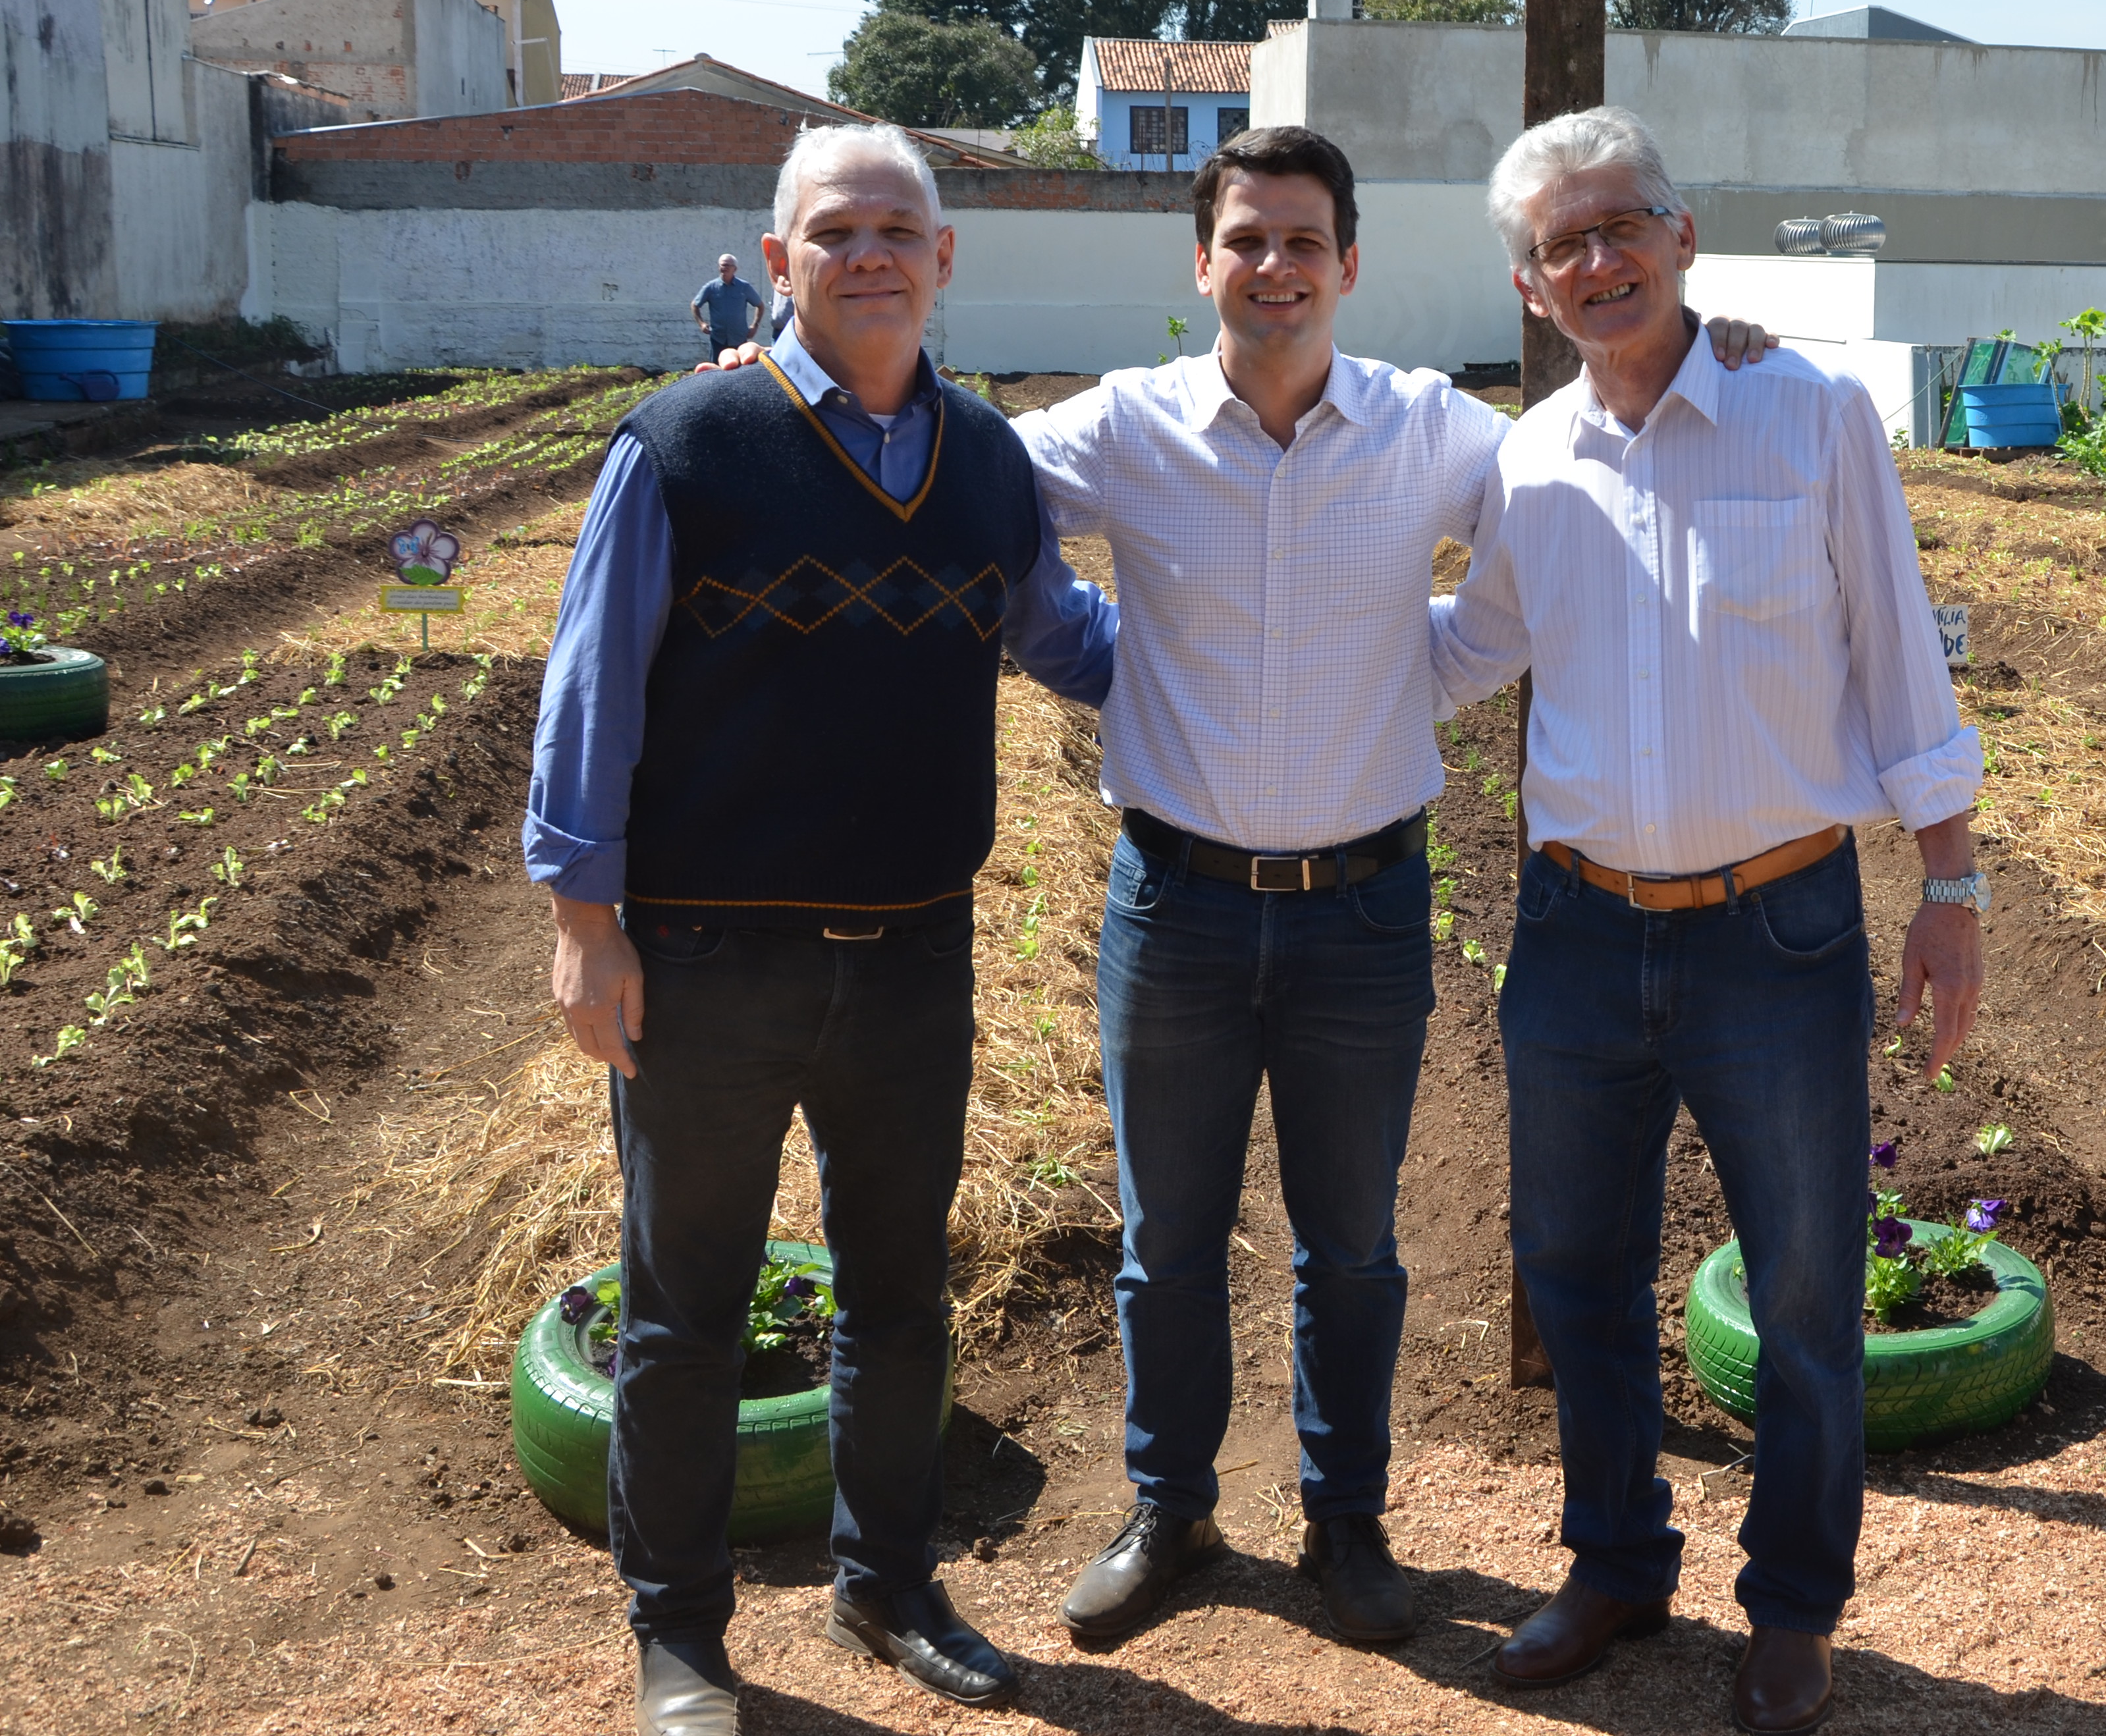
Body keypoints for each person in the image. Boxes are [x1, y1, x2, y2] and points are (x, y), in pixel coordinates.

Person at [1001, 128, 1779, 1652]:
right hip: (1178, 905)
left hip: (1364, 911)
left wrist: (1721, 347)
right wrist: (1087, 654)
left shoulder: (1435, 432)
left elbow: (1565, 503)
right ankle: (1170, 1508)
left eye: (1304, 241)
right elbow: (978, 502)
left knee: (1348, 1241)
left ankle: (1343, 1524)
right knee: (1169, 1235)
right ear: (1204, 263)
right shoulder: (1127, 430)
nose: (1276, 267)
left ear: (1349, 264)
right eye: (1247, 240)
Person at [530, 124, 1121, 1736]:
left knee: (899, 1290)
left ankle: (891, 1583)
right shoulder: (689, 443)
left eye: (899, 230)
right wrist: (586, 921)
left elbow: (1067, 642)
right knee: (686, 1307)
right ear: (779, 260)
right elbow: (590, 694)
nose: (872, 254)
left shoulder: (989, 464)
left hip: (912, 954)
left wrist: (1283, 654)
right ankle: (683, 1635)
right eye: (837, 229)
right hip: (709, 963)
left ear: (945, 261)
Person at [1430, 107, 1984, 1736]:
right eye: (1559, 245)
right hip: (1578, 934)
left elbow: (1901, 664)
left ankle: (1797, 1606)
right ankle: (1615, 1562)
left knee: (1808, 1293)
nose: (1594, 261)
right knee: (1576, 1270)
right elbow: (1466, 655)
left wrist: (1951, 888)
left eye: (1621, 226)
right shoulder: (1529, 461)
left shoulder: (1809, 416)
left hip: (1778, 931)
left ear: (1683, 238)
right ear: (1531, 290)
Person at [690, 254, 765, 365]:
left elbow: (760, 305)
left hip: (739, 338)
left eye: (728, 265)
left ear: (735, 269)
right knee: (717, 370)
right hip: (718, 338)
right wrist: (701, 323)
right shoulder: (711, 287)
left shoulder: (744, 287)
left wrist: (755, 325)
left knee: (740, 370)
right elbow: (695, 305)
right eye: (722, 265)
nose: (724, 268)